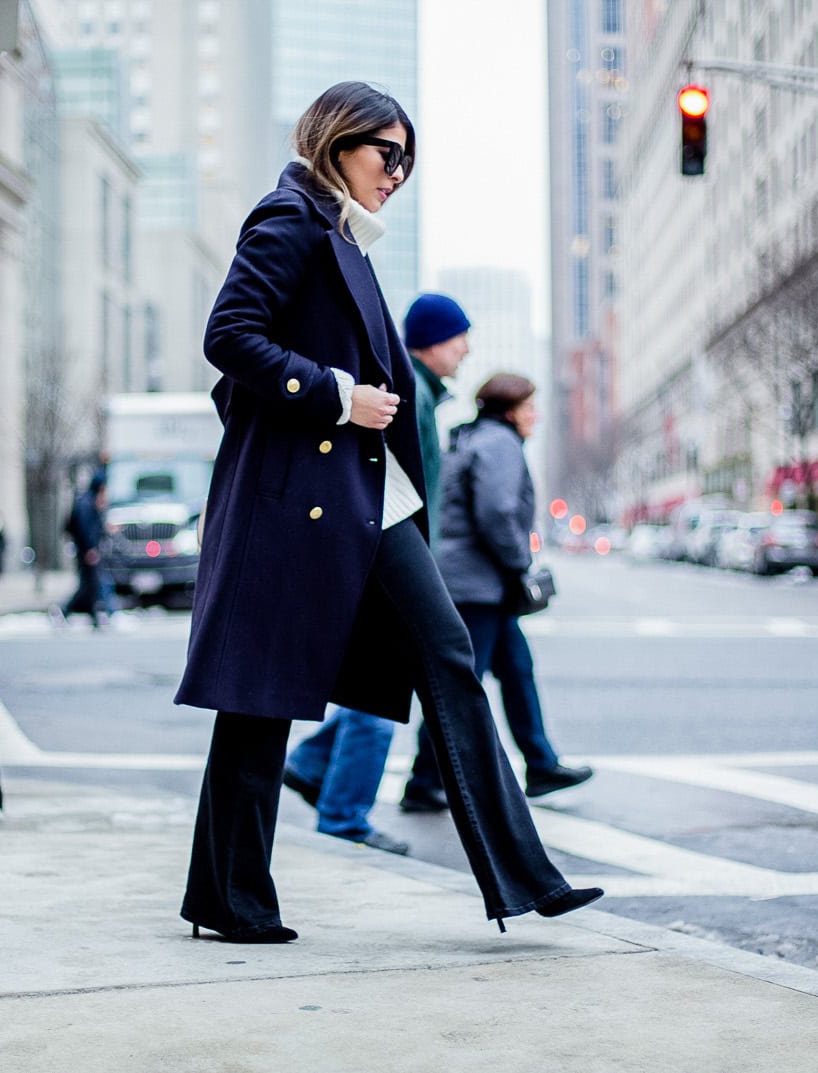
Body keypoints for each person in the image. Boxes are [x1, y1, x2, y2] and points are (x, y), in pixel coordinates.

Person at [175, 82, 601, 944]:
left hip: (364, 501)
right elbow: (229, 336)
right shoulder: (289, 218)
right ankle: (228, 898)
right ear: (336, 144)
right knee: (256, 702)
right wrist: (334, 395)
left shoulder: (345, 240)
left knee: (444, 651)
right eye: (387, 154)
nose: (399, 173)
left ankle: (525, 876)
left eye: (408, 159)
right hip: (308, 502)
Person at [281, 292, 472, 856]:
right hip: (386, 556)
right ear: (433, 341)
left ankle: (312, 765)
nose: (465, 348)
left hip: (385, 554)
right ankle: (342, 816)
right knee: (382, 688)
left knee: (378, 680)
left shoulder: (423, 396)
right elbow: (399, 489)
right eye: (459, 336)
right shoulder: (410, 397)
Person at [401, 373, 593, 812]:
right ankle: (424, 780)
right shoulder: (499, 443)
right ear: (509, 410)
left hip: (482, 585)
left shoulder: (473, 438)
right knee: (460, 686)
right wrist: (518, 563)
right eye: (530, 408)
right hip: (477, 586)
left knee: (517, 670)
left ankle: (541, 764)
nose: (536, 416)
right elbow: (497, 510)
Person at [62, 473, 114, 627]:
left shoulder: (90, 501)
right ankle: (65, 610)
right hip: (87, 552)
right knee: (88, 585)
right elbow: (85, 528)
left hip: (88, 551)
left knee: (91, 585)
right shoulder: (86, 502)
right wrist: (90, 548)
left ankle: (94, 616)